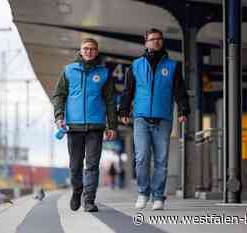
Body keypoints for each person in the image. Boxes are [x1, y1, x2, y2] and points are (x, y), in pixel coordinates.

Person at [119, 28, 190, 210]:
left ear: (162, 42)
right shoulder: (135, 66)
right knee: (142, 157)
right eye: (152, 39)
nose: (156, 42)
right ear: (146, 42)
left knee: (161, 160)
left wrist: (183, 110)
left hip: (163, 118)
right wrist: (124, 111)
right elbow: (128, 91)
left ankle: (158, 197)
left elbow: (180, 91)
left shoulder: (173, 66)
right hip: (141, 118)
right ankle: (143, 193)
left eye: (159, 39)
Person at [52, 38, 117, 212]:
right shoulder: (69, 70)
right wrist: (59, 116)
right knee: (75, 166)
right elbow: (59, 95)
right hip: (73, 126)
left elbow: (110, 101)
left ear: (96, 52)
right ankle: (77, 191)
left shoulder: (104, 73)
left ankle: (89, 200)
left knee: (92, 165)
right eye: (86, 48)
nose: (89, 51)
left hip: (96, 126)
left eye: (92, 49)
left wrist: (112, 126)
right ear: (80, 51)